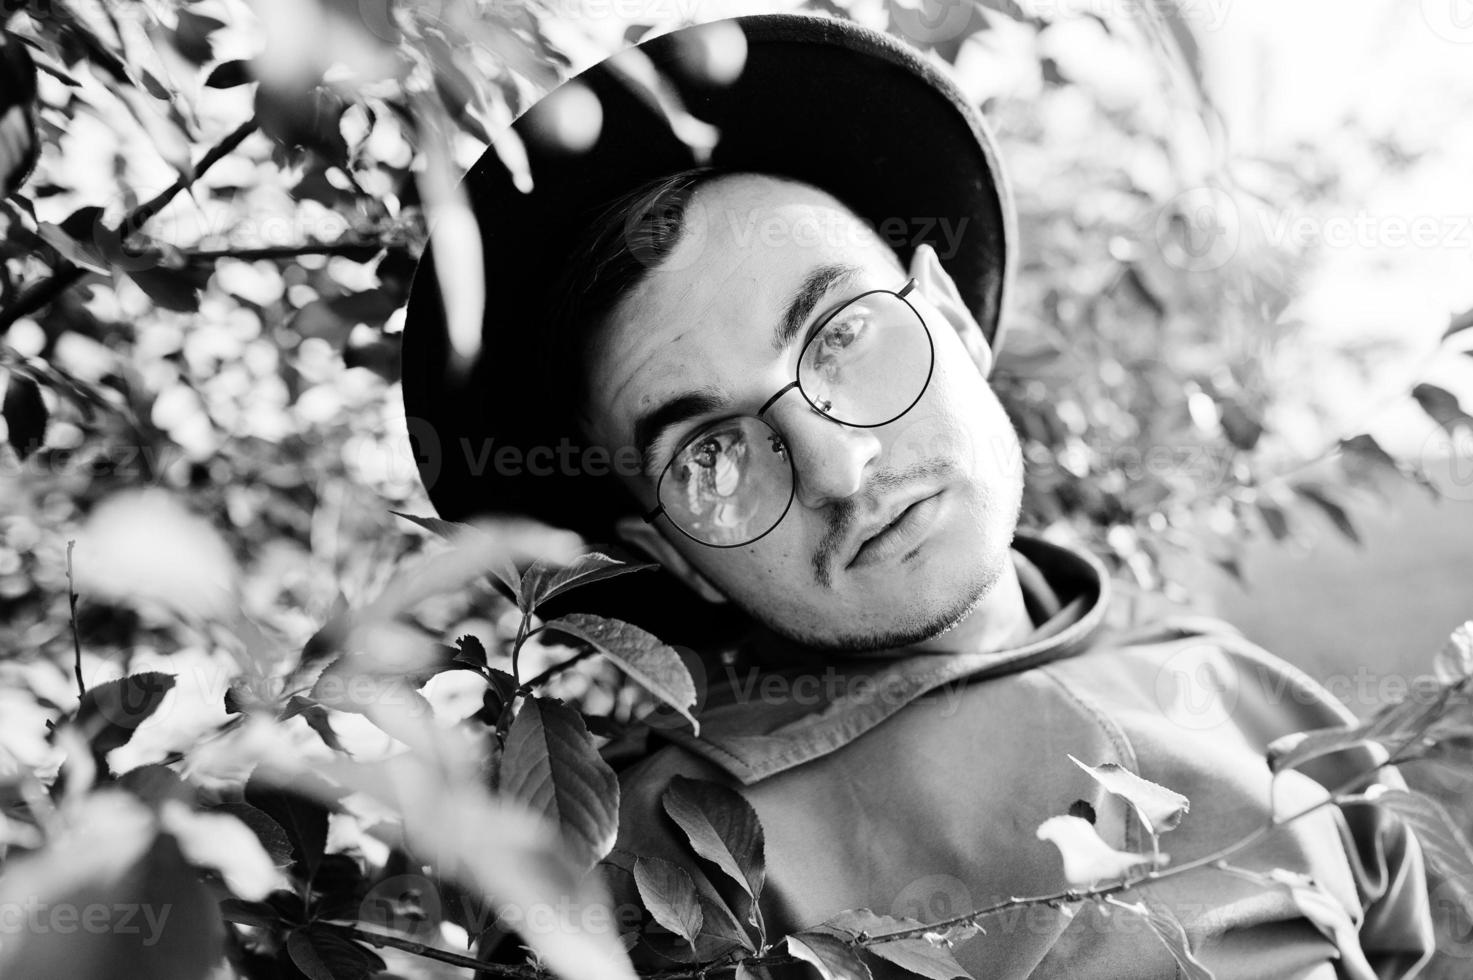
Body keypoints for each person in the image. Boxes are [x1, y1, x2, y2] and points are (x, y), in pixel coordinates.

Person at [399, 13, 1437, 978]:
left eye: (842, 334)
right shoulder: (656, 870)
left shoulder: (1257, 703)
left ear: (949, 313)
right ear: (663, 548)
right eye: (711, 452)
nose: (840, 469)